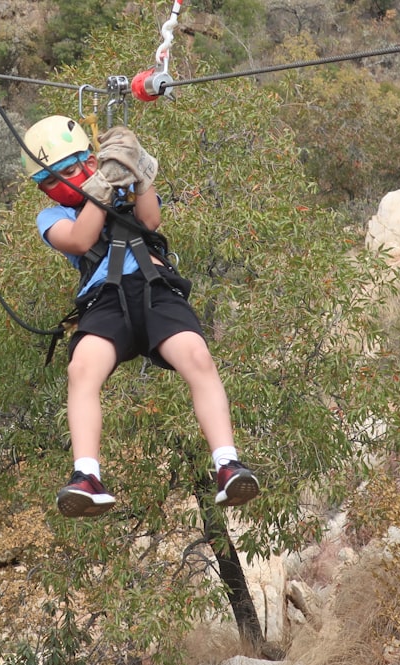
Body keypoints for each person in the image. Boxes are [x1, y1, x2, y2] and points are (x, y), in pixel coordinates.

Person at [21, 115, 259, 518]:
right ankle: (86, 475)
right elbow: (80, 239)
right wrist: (102, 187)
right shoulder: (53, 218)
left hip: (152, 286)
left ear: (88, 161)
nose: (61, 184)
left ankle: (226, 463)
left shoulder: (123, 187)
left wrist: (138, 172)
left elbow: (149, 221)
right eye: (49, 181)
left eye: (68, 171)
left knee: (196, 356)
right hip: (105, 299)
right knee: (81, 370)